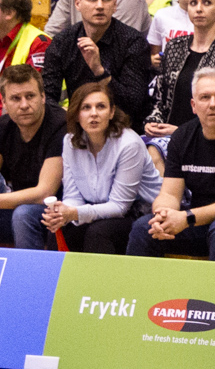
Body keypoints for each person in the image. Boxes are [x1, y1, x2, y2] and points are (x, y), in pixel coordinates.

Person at [127, 66, 215, 261]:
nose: (212, 104)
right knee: (145, 227)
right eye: (205, 97)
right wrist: (162, 214)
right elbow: (169, 193)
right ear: (193, 105)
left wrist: (187, 218)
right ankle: (139, 291)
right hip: (198, 220)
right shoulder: (182, 136)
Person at [29, 82, 161, 254]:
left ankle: (101, 281)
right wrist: (61, 214)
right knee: (59, 229)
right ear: (76, 114)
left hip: (142, 212)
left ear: (112, 112)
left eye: (101, 107)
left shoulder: (129, 144)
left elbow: (119, 207)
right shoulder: (70, 142)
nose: (94, 114)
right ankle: (58, 281)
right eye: (86, 108)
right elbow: (72, 196)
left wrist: (73, 213)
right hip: (100, 208)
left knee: (99, 232)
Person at [40, 0, 151, 123]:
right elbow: (47, 96)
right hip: (77, 126)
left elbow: (133, 104)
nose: (99, 6)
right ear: (77, 4)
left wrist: (100, 71)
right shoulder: (62, 42)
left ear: (114, 5)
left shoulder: (133, 42)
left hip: (123, 128)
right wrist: (67, 117)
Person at [144, 0, 215, 143]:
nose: (198, 9)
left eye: (206, 3)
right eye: (193, 3)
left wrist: (180, 131)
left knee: (155, 155)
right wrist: (153, 121)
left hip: (210, 137)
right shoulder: (174, 46)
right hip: (167, 134)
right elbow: (159, 97)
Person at [0, 65, 64, 244]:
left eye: (30, 96)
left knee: (24, 214)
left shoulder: (60, 126)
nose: (24, 105)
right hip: (15, 201)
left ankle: (29, 272)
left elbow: (44, 193)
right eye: (15, 98)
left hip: (56, 210)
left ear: (43, 97)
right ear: (4, 103)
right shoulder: (4, 127)